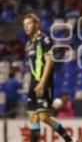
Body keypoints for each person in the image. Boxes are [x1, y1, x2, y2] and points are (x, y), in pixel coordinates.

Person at [23, 13, 75, 142]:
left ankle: (68, 139)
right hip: (33, 83)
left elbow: (49, 61)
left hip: (44, 82)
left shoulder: (44, 39)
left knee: (44, 117)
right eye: (24, 25)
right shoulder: (29, 43)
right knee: (33, 117)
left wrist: (42, 82)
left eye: (29, 24)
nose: (26, 27)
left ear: (36, 24)